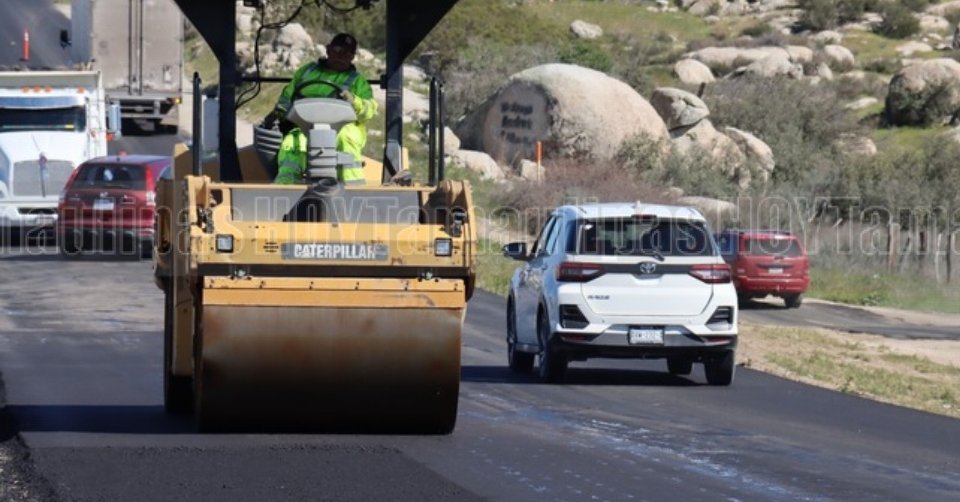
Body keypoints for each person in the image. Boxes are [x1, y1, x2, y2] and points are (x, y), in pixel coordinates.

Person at [270, 33, 378, 185]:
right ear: (328, 49)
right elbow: (286, 100)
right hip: (305, 126)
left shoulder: (358, 81)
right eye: (338, 50)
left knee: (347, 139)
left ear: (353, 57)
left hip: (343, 128)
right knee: (292, 142)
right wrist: (280, 114)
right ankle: (285, 189)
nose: (342, 56)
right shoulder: (306, 72)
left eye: (348, 53)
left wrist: (354, 101)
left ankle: (353, 187)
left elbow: (369, 110)